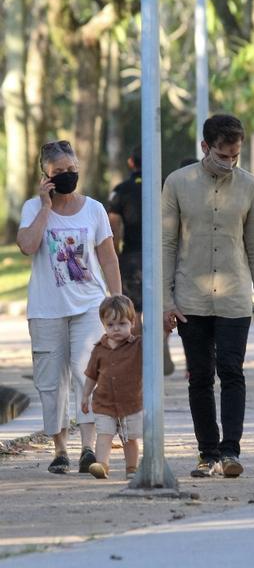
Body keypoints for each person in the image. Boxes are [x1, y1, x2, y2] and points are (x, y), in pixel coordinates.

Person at [162, 114, 254, 479]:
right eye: (222, 155)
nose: (229, 163)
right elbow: (167, 243)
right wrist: (166, 300)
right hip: (191, 299)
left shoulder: (249, 186)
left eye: (235, 156)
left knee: (232, 371)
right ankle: (207, 453)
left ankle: (231, 451)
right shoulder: (178, 183)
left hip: (234, 299)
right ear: (205, 147)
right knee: (199, 376)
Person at [17, 140, 121, 474]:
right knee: (50, 382)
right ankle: (60, 449)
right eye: (58, 172)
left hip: (89, 305)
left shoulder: (94, 209)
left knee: (88, 374)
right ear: (45, 175)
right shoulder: (33, 208)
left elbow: (107, 256)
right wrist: (46, 206)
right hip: (46, 309)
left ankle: (88, 449)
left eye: (71, 170)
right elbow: (27, 246)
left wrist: (116, 301)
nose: (66, 176)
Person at [107, 145, 175, 375]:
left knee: (133, 311)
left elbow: (114, 225)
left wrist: (115, 254)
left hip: (133, 258)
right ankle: (160, 346)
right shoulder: (167, 186)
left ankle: (139, 359)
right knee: (162, 307)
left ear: (130, 163)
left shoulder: (121, 191)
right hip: (163, 256)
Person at [81, 295, 142, 480]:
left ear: (132, 322)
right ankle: (102, 465)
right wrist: (85, 396)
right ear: (103, 324)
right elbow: (91, 375)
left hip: (131, 403)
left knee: (130, 438)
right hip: (104, 402)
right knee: (104, 435)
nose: (116, 329)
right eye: (111, 325)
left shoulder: (139, 346)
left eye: (122, 324)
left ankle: (132, 468)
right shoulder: (99, 349)